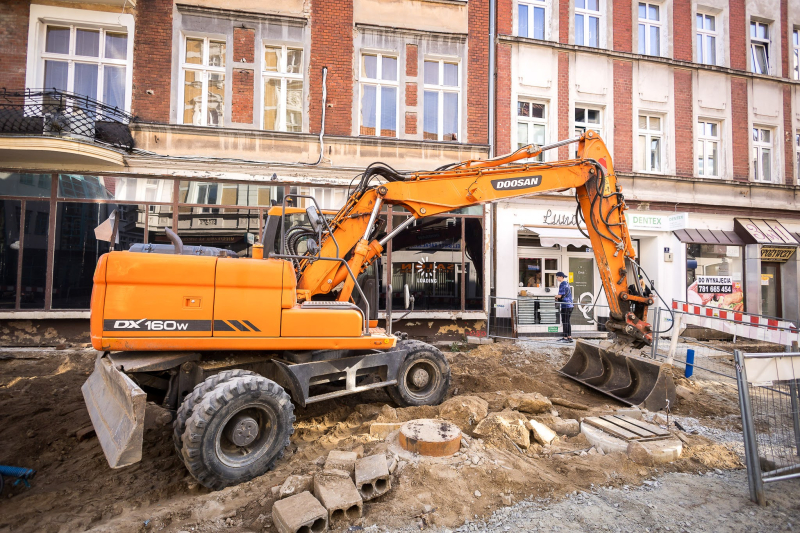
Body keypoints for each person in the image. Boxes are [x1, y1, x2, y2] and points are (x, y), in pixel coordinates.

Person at [555, 272, 573, 343]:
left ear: (561, 277)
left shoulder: (562, 284)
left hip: (565, 305)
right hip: (570, 305)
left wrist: (555, 296)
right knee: (568, 321)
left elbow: (560, 295)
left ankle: (565, 338)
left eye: (557, 277)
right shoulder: (567, 283)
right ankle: (569, 337)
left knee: (565, 321)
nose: (557, 278)